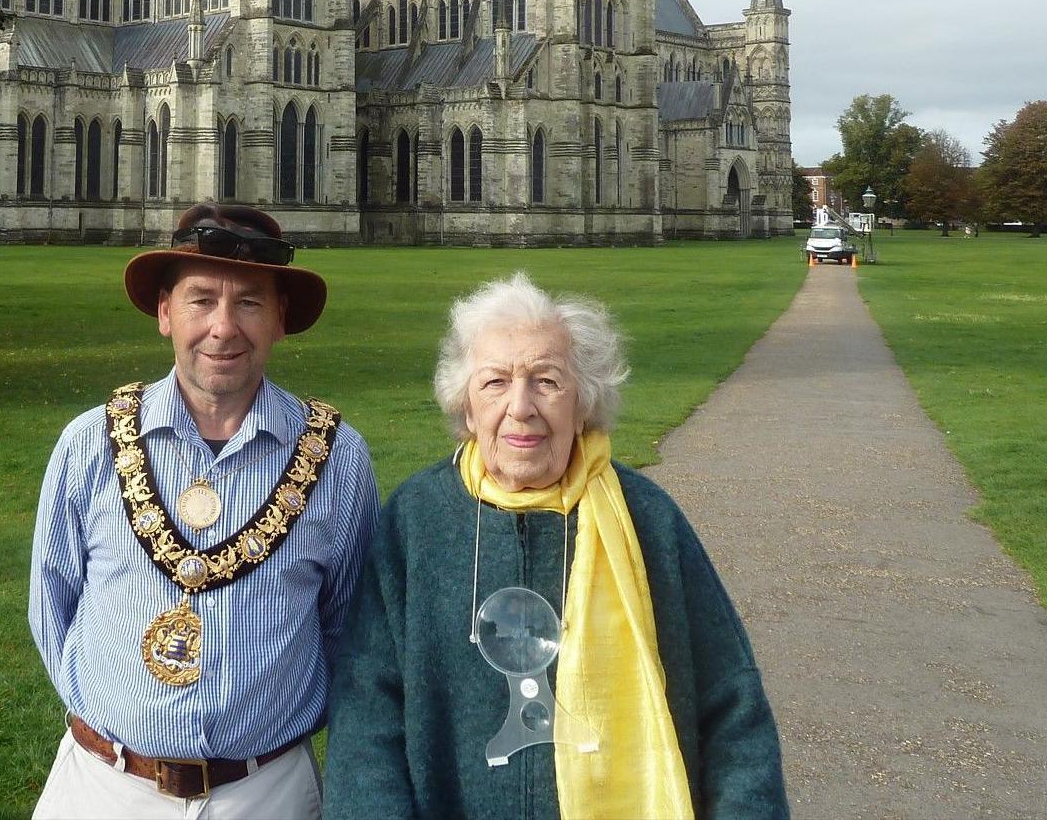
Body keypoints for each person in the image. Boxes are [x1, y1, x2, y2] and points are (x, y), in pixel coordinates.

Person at [323, 273, 788, 819]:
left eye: (546, 381)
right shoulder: (417, 520)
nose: (520, 407)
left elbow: (731, 706)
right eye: (495, 382)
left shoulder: (648, 519)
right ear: (467, 406)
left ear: (584, 402)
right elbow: (367, 717)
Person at [29, 202, 379, 819]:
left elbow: (347, 630)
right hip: (104, 787)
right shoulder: (89, 442)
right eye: (200, 300)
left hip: (267, 793)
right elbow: (52, 606)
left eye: (248, 302)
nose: (223, 327)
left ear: (280, 318)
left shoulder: (338, 459)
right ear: (165, 312)